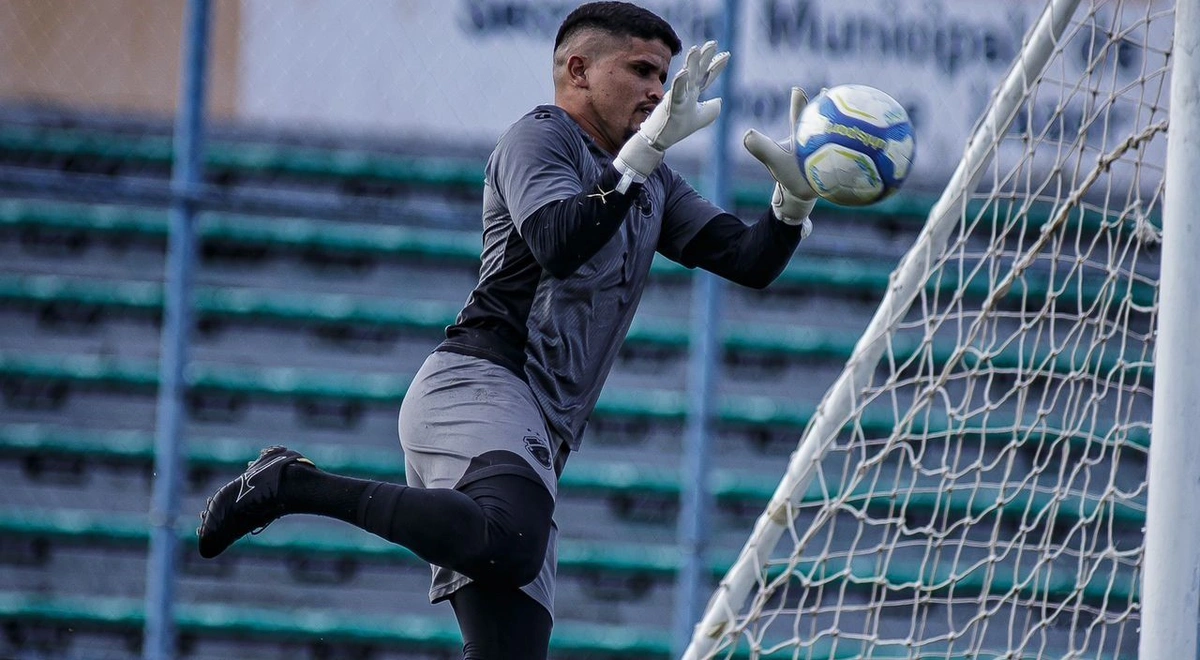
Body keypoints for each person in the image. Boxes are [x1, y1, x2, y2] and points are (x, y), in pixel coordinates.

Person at [196, 2, 820, 658]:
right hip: (481, 382)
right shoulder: (541, 137)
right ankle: (290, 484)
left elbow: (748, 262)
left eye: (664, 76)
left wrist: (793, 202)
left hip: (539, 433)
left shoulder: (650, 179)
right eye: (641, 70)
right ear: (577, 70)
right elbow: (557, 240)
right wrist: (642, 156)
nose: (659, 92)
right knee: (513, 542)